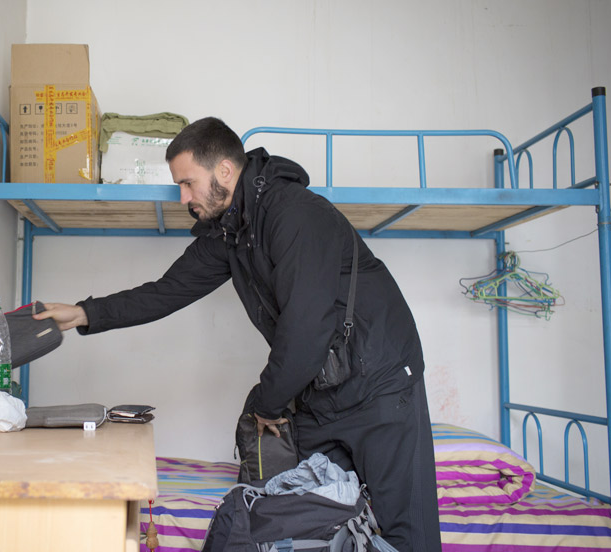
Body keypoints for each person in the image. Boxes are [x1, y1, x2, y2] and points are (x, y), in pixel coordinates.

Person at [35, 117, 441, 551]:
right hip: (322, 393)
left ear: (225, 172)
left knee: (406, 533)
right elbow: (165, 292)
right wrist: (83, 313)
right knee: (315, 522)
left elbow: (307, 328)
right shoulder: (230, 234)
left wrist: (265, 404)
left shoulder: (296, 214)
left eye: (188, 183)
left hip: (380, 384)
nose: (183, 197)